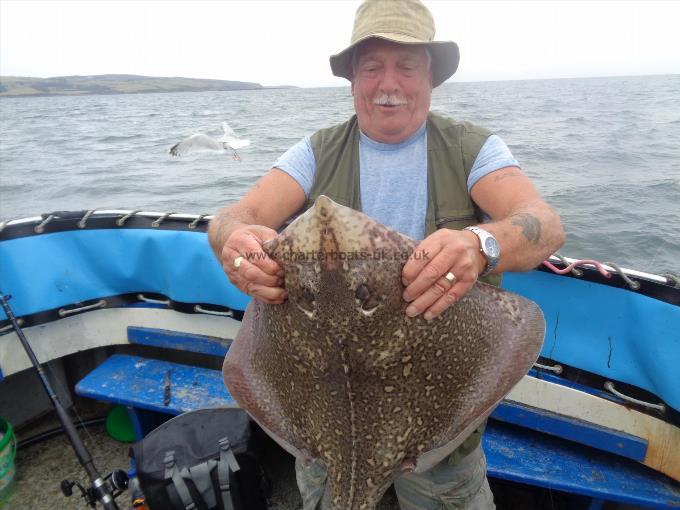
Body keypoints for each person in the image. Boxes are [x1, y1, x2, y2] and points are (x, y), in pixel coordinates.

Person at [209, 0, 565, 508]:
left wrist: (480, 244)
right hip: (320, 420)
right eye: (372, 66)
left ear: (431, 77)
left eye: (407, 65)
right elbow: (233, 216)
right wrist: (235, 242)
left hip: (439, 427)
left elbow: (546, 226)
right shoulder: (314, 153)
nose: (388, 82)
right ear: (353, 79)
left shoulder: (472, 149)